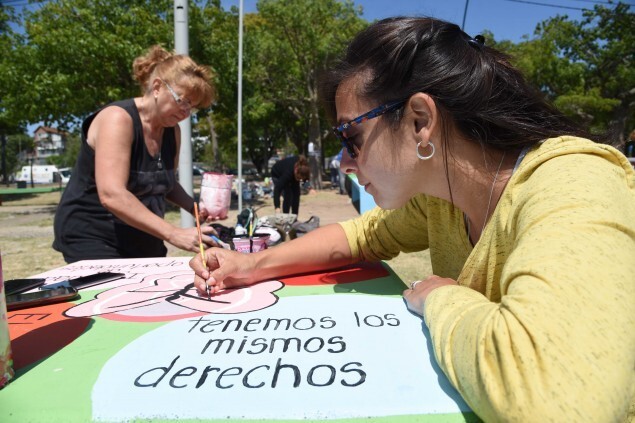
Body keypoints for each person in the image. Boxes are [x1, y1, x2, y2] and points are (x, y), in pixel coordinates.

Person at [190, 17, 635, 421]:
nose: (345, 161)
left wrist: (442, 299)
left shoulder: (575, 181)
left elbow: (556, 401)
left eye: (351, 135)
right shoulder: (440, 198)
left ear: (421, 120)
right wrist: (250, 265)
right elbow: (361, 237)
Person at [54, 45, 219, 263]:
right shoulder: (118, 119)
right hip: (94, 235)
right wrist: (173, 233)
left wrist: (195, 208)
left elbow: (165, 183)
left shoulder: (173, 131)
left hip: (142, 234)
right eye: (182, 101)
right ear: (158, 87)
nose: (186, 112)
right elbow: (112, 194)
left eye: (193, 107)